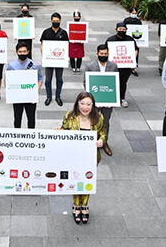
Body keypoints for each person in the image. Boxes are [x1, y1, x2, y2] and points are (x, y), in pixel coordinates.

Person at [59, 92, 106, 225]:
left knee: (87, 179)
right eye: (82, 103)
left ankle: (84, 205)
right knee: (75, 179)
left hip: (91, 157)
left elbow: (103, 132)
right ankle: (76, 204)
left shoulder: (99, 118)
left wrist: (101, 141)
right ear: (77, 104)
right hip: (73, 156)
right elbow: (64, 131)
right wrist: (59, 132)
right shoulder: (70, 116)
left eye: (88, 104)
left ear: (93, 105)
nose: (85, 107)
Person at [82, 44, 116, 156]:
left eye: (105, 54)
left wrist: (111, 100)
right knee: (93, 121)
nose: (103, 56)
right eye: (101, 54)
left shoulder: (113, 66)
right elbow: (86, 83)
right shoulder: (89, 66)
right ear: (97, 54)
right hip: (94, 101)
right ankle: (92, 143)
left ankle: (104, 143)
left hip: (108, 101)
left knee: (105, 122)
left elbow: (115, 84)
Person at [6, 43, 43, 128]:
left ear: (28, 52)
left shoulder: (34, 65)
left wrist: (35, 91)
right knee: (17, 119)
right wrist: (11, 94)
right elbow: (7, 80)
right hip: (17, 97)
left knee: (31, 119)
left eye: (24, 51)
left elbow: (40, 79)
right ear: (17, 52)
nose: (22, 53)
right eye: (20, 52)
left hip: (30, 97)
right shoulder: (11, 66)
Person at [105, 23, 139, 107]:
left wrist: (133, 62)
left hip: (126, 66)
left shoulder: (130, 40)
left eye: (124, 29)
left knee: (123, 82)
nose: (122, 31)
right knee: (113, 82)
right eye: (120, 29)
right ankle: (112, 98)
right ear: (116, 29)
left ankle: (122, 98)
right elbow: (106, 52)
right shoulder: (110, 40)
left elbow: (135, 50)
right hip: (113, 65)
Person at [40, 13, 69, 106]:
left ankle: (58, 96)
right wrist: (44, 55)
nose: (55, 22)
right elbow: (42, 44)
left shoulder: (64, 33)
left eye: (57, 21)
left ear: (60, 20)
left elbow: (66, 46)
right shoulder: (46, 32)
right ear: (51, 20)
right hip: (49, 60)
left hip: (60, 60)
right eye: (54, 20)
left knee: (59, 79)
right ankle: (49, 96)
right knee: (48, 79)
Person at [122, 9, 142, 76]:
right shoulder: (126, 20)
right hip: (127, 39)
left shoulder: (138, 21)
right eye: (133, 13)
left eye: (135, 13)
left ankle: (133, 67)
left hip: (136, 39)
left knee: (136, 53)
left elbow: (141, 31)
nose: (134, 14)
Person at [69, 10, 85, 75]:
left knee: (79, 55)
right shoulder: (71, 25)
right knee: (72, 55)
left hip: (80, 42)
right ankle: (73, 66)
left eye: (78, 16)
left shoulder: (83, 25)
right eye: (75, 16)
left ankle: (78, 67)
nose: (76, 18)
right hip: (72, 42)